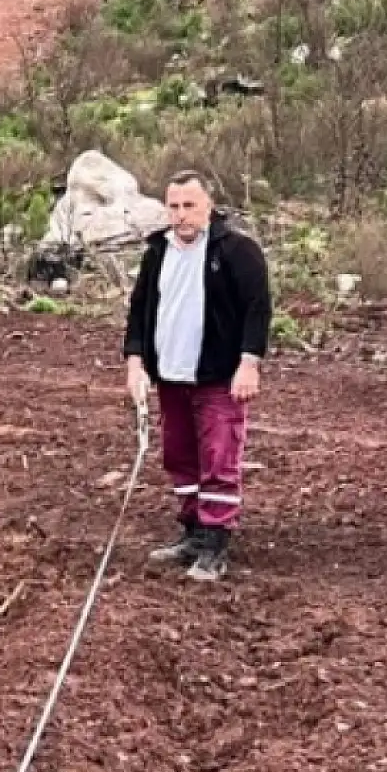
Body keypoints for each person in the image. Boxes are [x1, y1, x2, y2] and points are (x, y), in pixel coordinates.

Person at [123, 170, 272, 581]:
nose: (181, 215)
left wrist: (249, 363)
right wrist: (136, 361)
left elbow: (258, 310)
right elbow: (139, 310)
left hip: (218, 376)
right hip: (170, 374)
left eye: (189, 205)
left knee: (219, 457)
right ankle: (191, 529)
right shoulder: (157, 252)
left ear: (209, 205)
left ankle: (215, 539)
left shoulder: (238, 251)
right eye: (174, 206)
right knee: (179, 454)